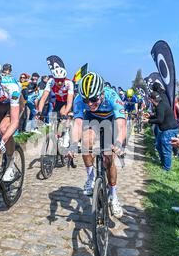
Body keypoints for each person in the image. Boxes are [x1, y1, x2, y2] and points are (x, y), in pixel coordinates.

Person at [68, 72, 127, 219]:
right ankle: (90, 177)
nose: (89, 104)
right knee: (86, 142)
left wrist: (119, 142)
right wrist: (74, 144)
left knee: (108, 158)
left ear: (101, 94)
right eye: (86, 100)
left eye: (93, 99)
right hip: (91, 120)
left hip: (110, 122)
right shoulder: (78, 99)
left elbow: (121, 124)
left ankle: (114, 196)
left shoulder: (112, 96)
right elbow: (78, 123)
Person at [143, 85, 179, 171]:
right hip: (166, 130)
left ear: (151, 100)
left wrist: (148, 121)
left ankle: (166, 169)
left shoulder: (160, 106)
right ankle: (163, 164)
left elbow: (159, 119)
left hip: (169, 130)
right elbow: (159, 116)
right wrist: (150, 116)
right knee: (159, 146)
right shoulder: (161, 104)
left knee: (166, 149)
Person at [37, 67, 75, 148]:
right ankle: (56, 139)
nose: (60, 82)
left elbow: (69, 102)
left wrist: (65, 114)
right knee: (54, 120)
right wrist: (39, 112)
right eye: (57, 80)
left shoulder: (69, 83)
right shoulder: (51, 82)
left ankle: (66, 133)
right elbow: (43, 98)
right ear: (54, 78)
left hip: (67, 102)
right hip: (58, 102)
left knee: (63, 115)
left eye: (62, 79)